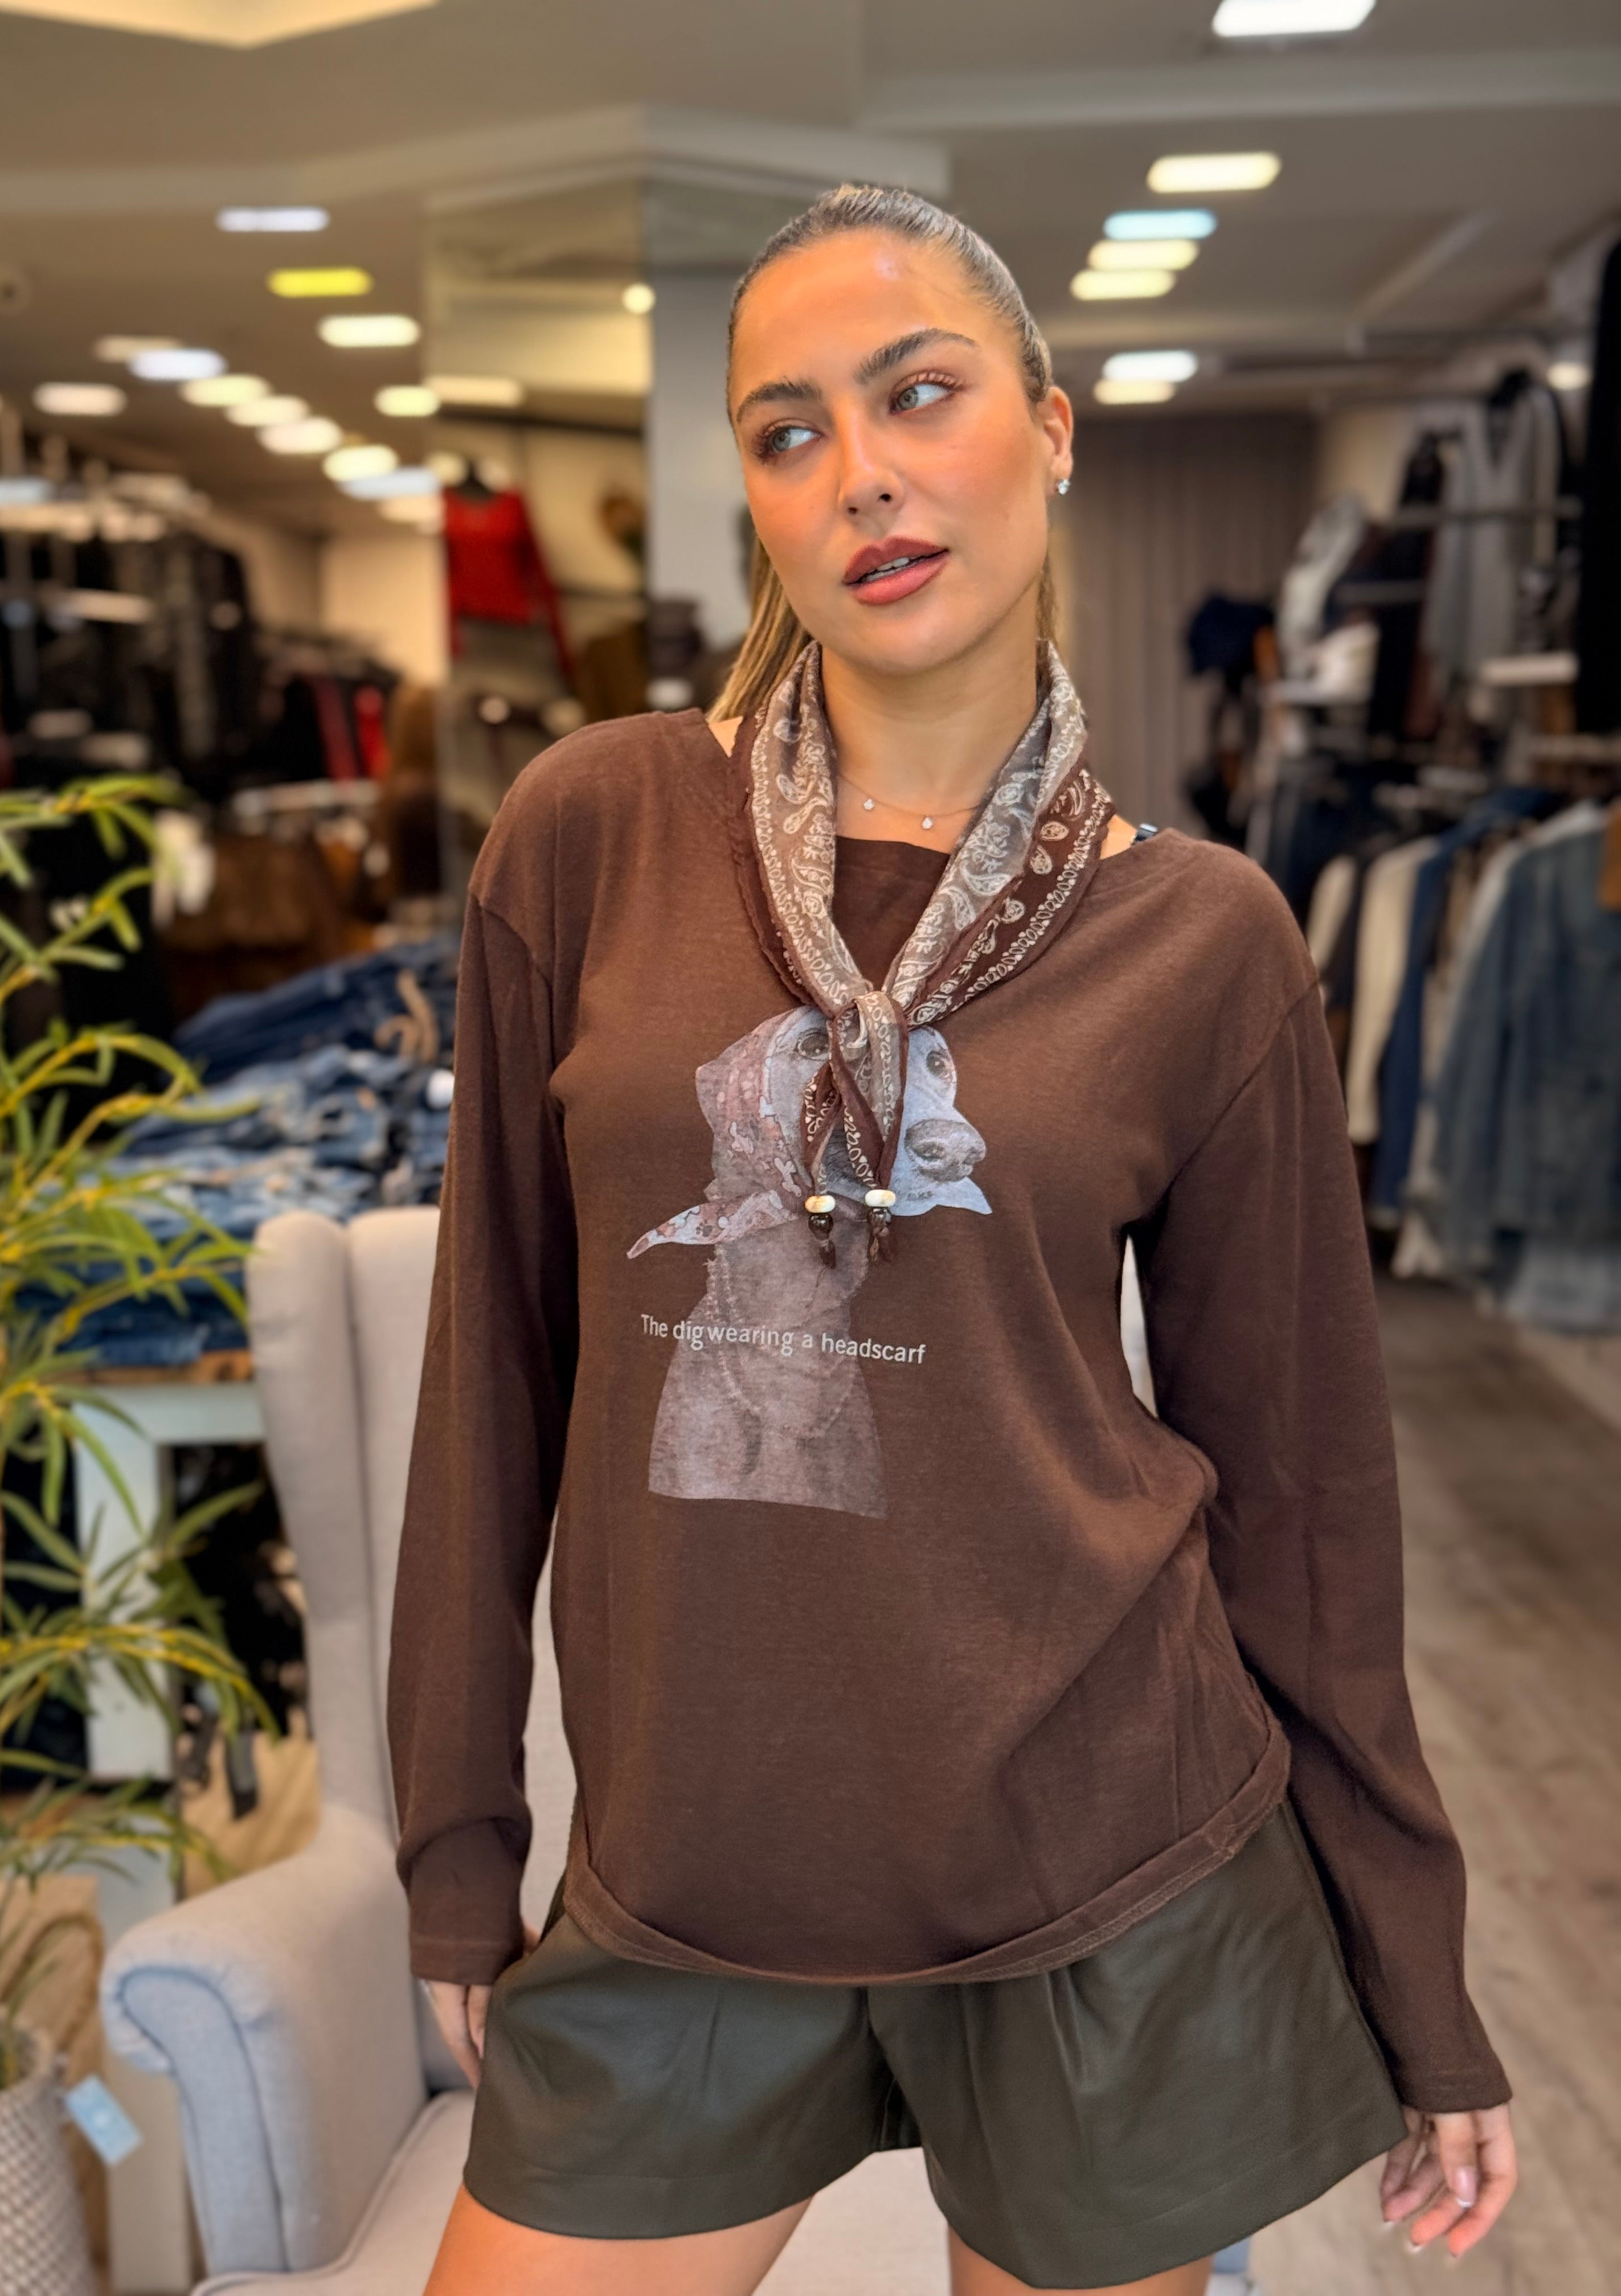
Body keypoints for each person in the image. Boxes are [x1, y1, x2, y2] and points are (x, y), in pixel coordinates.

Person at [388, 186, 1517, 2296]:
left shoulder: (1203, 935)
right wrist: (462, 1849)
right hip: (691, 1873)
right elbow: (492, 1380)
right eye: (791, 429)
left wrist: (1417, 1966)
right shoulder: (593, 834)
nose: (864, 473)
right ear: (754, 493)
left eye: (919, 394)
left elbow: (1304, 1501)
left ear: (1051, 430)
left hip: (1104, 1868)